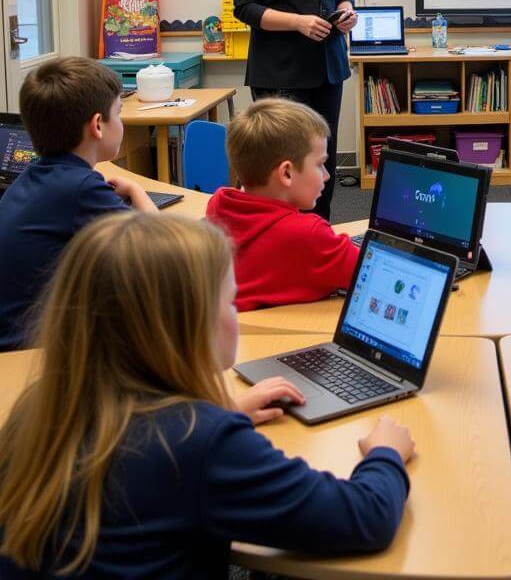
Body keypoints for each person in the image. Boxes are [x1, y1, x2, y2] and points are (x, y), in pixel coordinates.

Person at [0, 213, 413, 577]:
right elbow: (365, 517)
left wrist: (218, 410)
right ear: (186, 326)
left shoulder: (40, 409)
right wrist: (385, 453)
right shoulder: (199, 444)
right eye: (229, 301)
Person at [0, 57, 158, 352]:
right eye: (119, 113)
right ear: (98, 125)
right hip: (31, 353)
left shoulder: (31, 178)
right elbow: (164, 250)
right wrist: (137, 191)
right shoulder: (81, 188)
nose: (121, 123)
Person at [232, 0, 357, 220]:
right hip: (281, 72)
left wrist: (346, 10)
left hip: (328, 67)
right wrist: (297, 22)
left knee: (322, 162)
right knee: (284, 168)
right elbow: (246, 7)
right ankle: (281, 242)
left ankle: (319, 233)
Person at [206, 98, 360, 311]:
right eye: (320, 164)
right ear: (286, 173)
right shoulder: (310, 235)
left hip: (240, 338)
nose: (326, 176)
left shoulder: (218, 205)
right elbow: (373, 275)